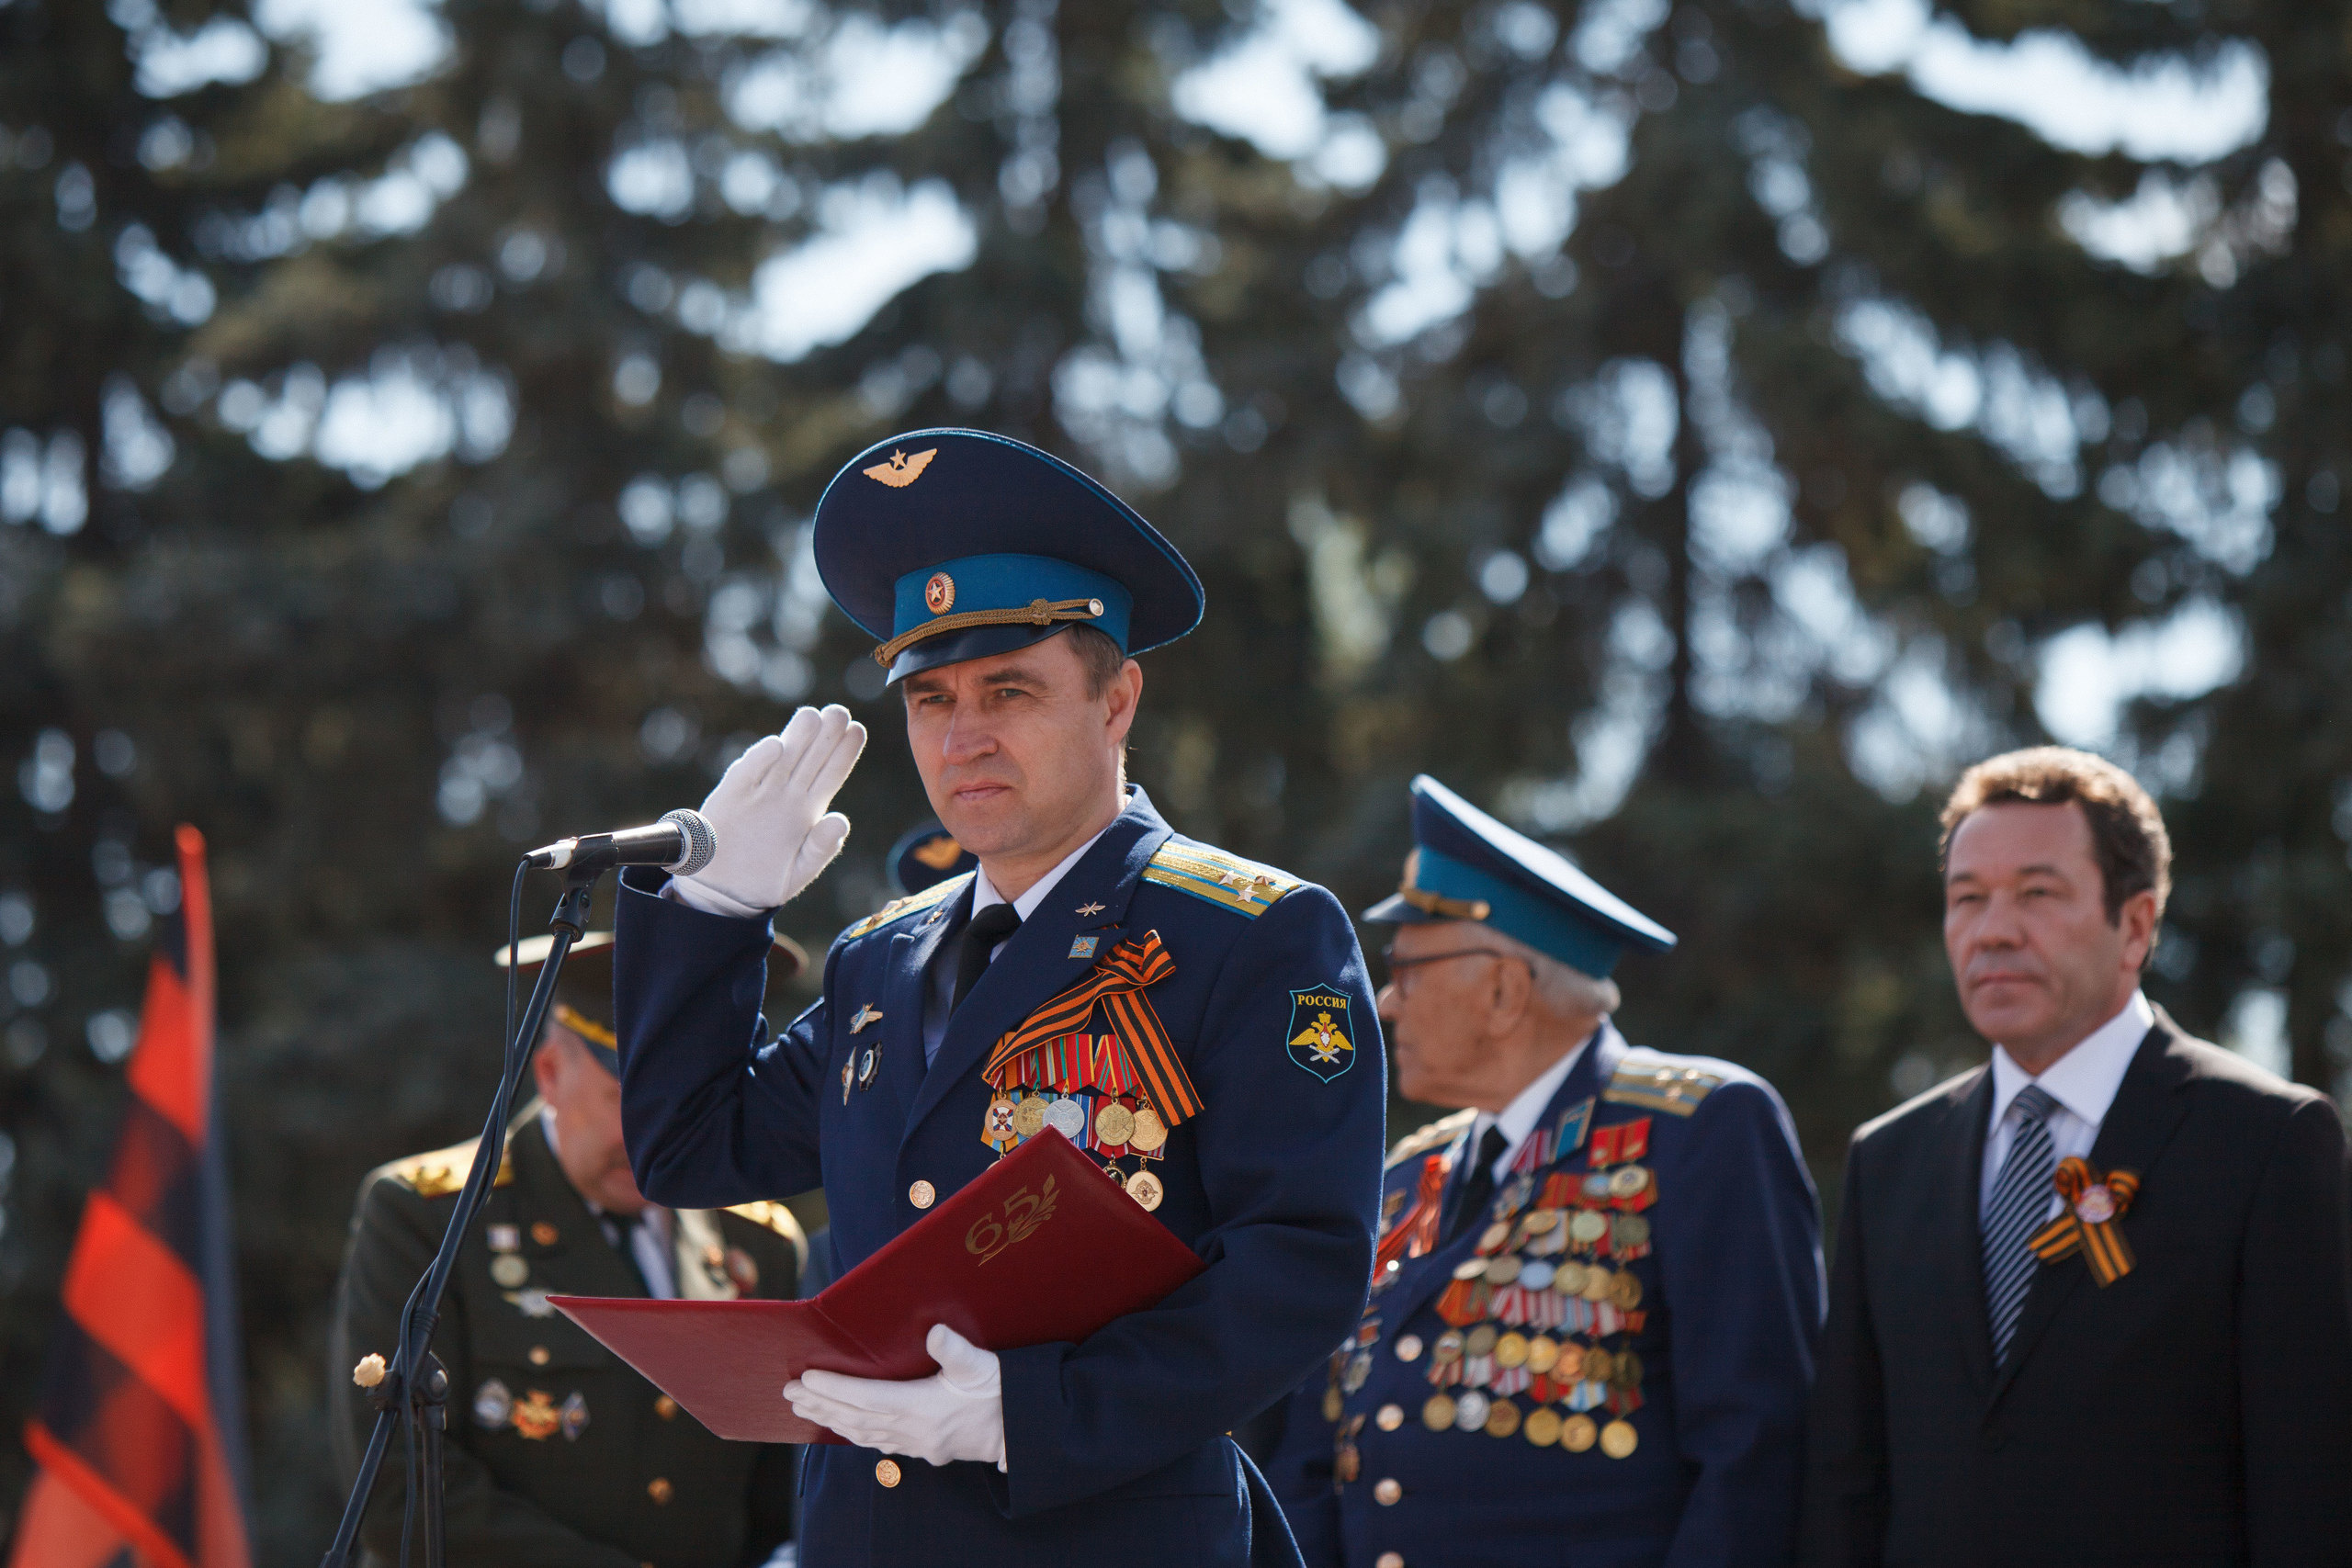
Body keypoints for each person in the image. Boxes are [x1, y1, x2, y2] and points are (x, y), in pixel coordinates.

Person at [610, 428, 1389, 1567]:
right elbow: (690, 1150)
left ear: (1117, 699)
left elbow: (1300, 1268)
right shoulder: (885, 958)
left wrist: (1031, 1413)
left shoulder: (1250, 932)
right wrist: (715, 916)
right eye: (930, 699)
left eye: (1010, 689)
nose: (963, 736)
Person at [1800, 746, 2352, 1568]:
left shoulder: (2267, 1140)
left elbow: (2309, 1486)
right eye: (1967, 898)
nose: (1992, 930)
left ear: (2135, 924)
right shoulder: (1891, 1158)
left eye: (2037, 893)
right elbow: (1848, 1479)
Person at [1262, 775, 1824, 1568]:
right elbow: (1314, 1457)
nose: (1386, 1001)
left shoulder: (1700, 1128)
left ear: (1502, 988)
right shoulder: (1407, 1175)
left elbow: (1752, 1456)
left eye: (1408, 968)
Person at [329, 931, 810, 1568]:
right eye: (631, 1102)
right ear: (552, 1073)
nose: (660, 1137)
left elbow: (780, 1496)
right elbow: (399, 1496)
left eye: (689, 1105)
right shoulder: (430, 1218)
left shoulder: (760, 1244)